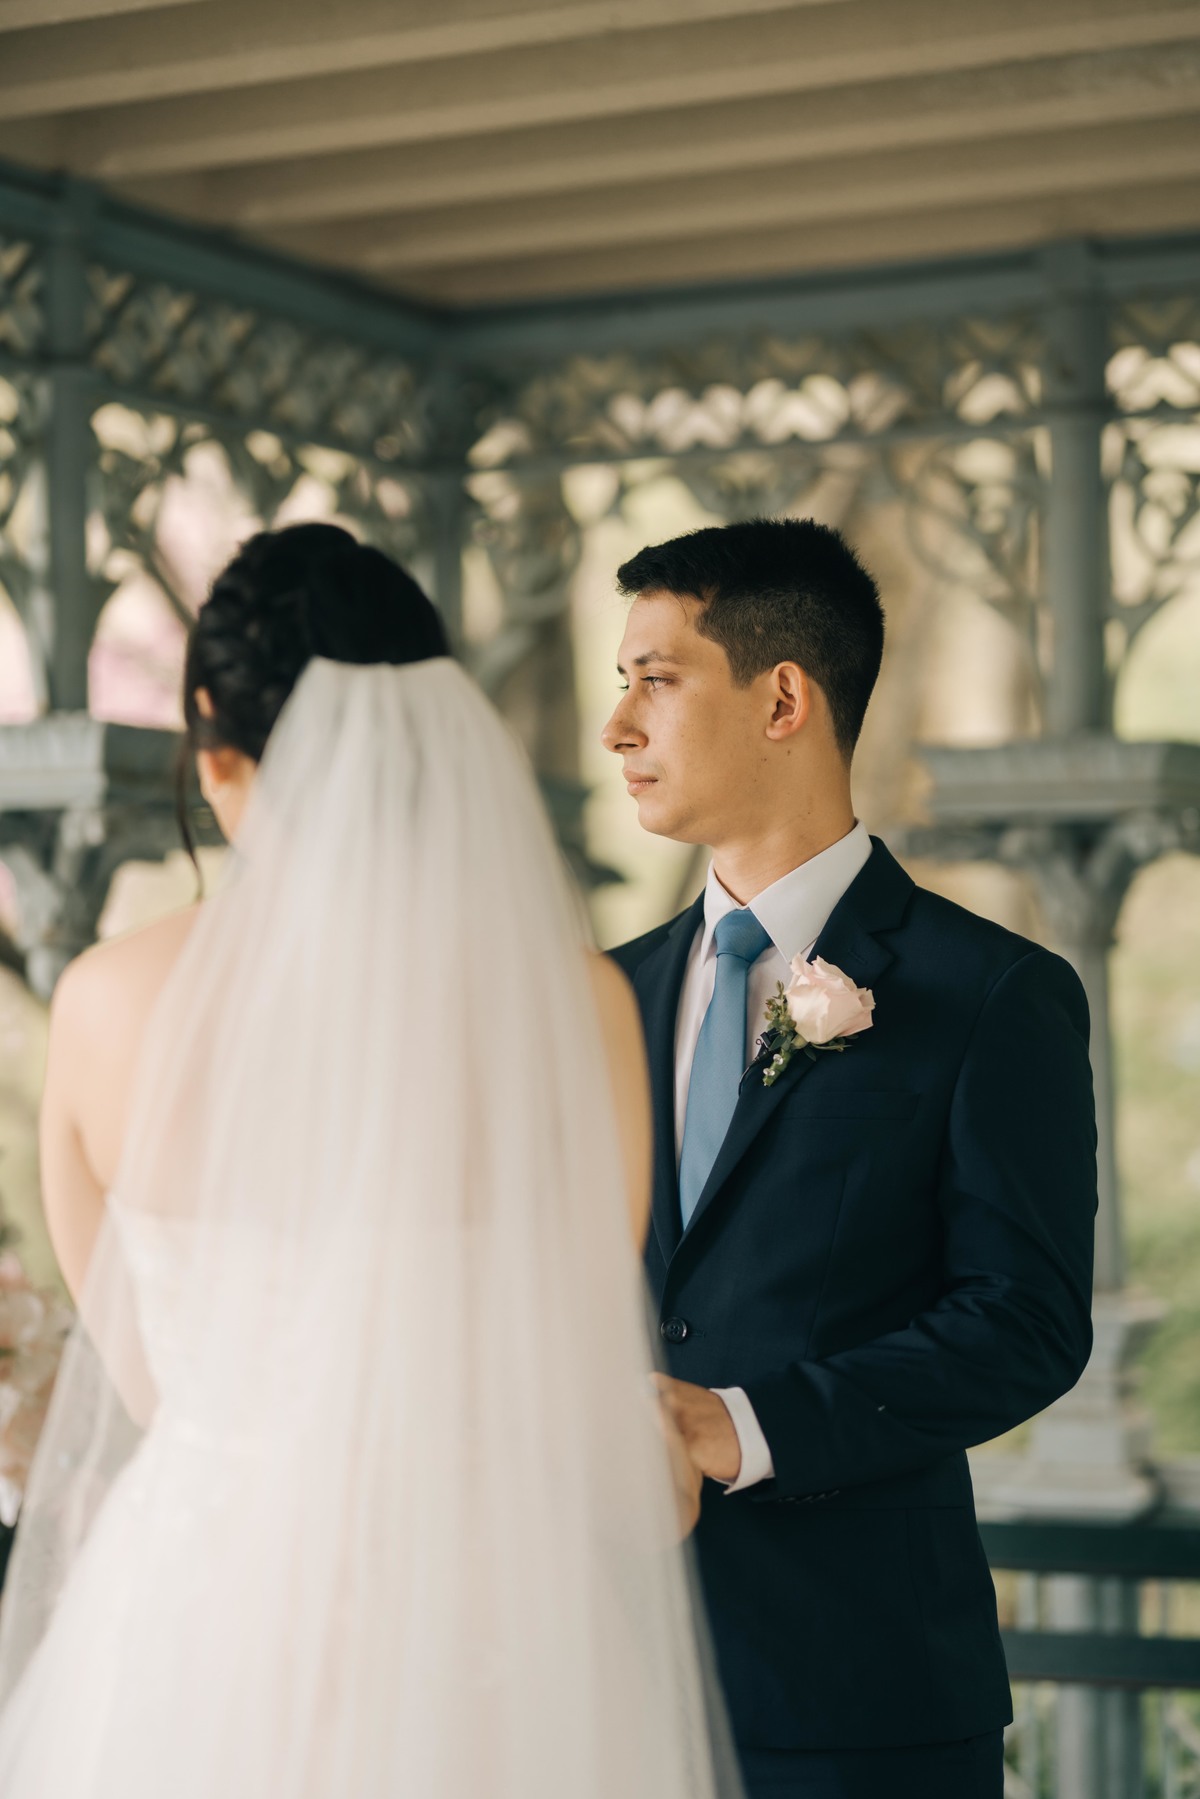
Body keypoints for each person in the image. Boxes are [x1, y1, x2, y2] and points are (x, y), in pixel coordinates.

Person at [0, 523, 731, 1799]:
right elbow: (569, 1355)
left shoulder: (108, 1003)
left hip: (197, 1613)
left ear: (213, 750)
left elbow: (139, 1365)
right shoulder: (574, 1007)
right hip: (490, 1611)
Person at [603, 517, 1098, 1799]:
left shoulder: (991, 993)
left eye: (656, 680)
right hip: (592, 1674)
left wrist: (743, 1427)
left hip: (858, 1698)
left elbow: (1028, 1319)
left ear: (782, 697)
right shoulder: (597, 997)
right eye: (620, 685)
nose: (619, 728)